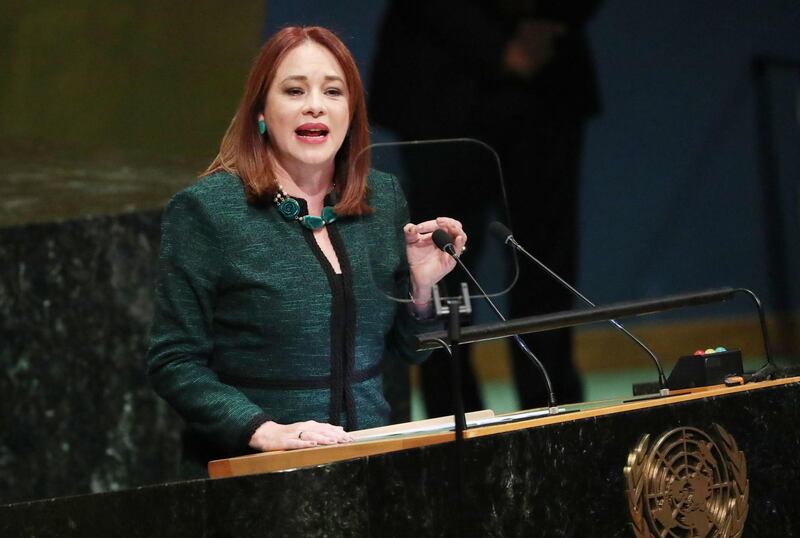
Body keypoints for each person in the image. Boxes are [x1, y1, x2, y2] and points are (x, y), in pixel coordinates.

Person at [145, 26, 466, 476]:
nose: (315, 104)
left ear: (351, 114)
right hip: (255, 473)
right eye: (294, 90)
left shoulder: (383, 200)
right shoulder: (207, 211)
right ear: (261, 112)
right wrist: (261, 430)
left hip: (371, 469)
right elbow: (174, 361)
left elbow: (410, 351)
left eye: (333, 92)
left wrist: (419, 288)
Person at [370, 1, 601, 414]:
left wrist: (547, 21)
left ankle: (554, 414)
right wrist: (494, 46)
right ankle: (454, 425)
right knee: (441, 265)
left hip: (547, 78)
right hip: (439, 80)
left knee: (547, 266)